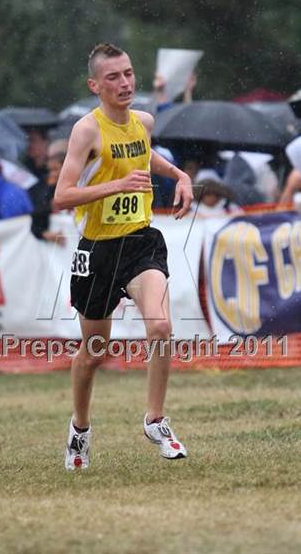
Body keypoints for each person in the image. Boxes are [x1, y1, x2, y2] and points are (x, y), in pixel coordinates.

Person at [54, 42, 193, 471]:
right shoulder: (86, 131)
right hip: (97, 250)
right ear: (95, 85)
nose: (125, 83)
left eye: (129, 73)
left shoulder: (143, 121)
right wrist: (114, 186)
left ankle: (155, 420)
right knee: (95, 351)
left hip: (140, 241)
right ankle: (80, 429)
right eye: (113, 77)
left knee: (162, 325)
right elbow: (61, 197)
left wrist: (178, 174)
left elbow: (141, 154)